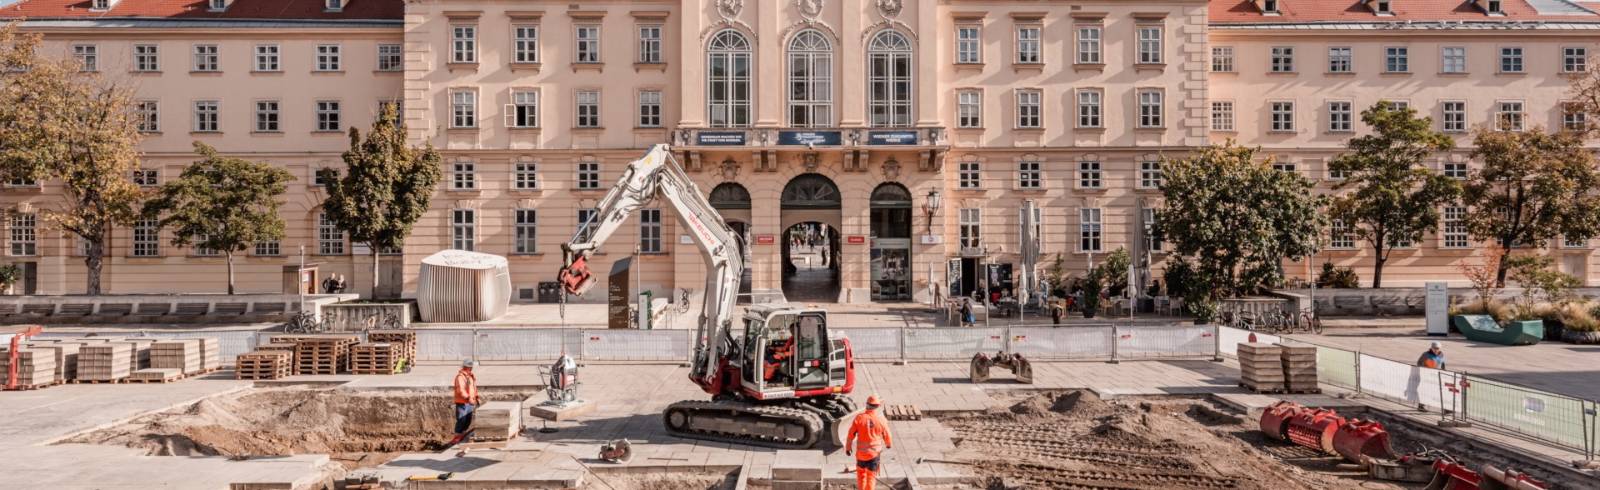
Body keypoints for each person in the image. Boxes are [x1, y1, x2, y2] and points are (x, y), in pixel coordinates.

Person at [846, 395, 894, 490]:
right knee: (871, 477)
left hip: (861, 455)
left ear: (867, 405)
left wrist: (848, 448)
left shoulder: (859, 418)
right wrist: (889, 444)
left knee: (861, 475)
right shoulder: (881, 420)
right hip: (874, 455)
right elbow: (888, 435)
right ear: (877, 406)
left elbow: (850, 435)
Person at [448, 359, 481, 446]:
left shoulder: (470, 376)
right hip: (462, 402)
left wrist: (476, 397)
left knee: (468, 419)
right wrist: (468, 397)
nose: (471, 369)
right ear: (465, 367)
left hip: (470, 402)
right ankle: (457, 436)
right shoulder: (460, 377)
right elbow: (460, 390)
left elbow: (474, 388)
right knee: (462, 419)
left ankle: (462, 433)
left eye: (471, 367)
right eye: (469, 367)